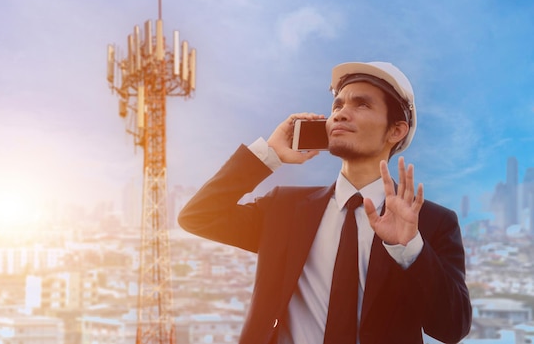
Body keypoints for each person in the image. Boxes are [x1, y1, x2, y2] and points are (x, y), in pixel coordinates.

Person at [178, 61, 471, 344]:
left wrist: (409, 249)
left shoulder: (431, 222)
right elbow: (199, 216)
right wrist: (269, 154)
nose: (342, 114)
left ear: (396, 131)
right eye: (338, 106)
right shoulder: (286, 209)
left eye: (362, 104)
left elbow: (452, 327)